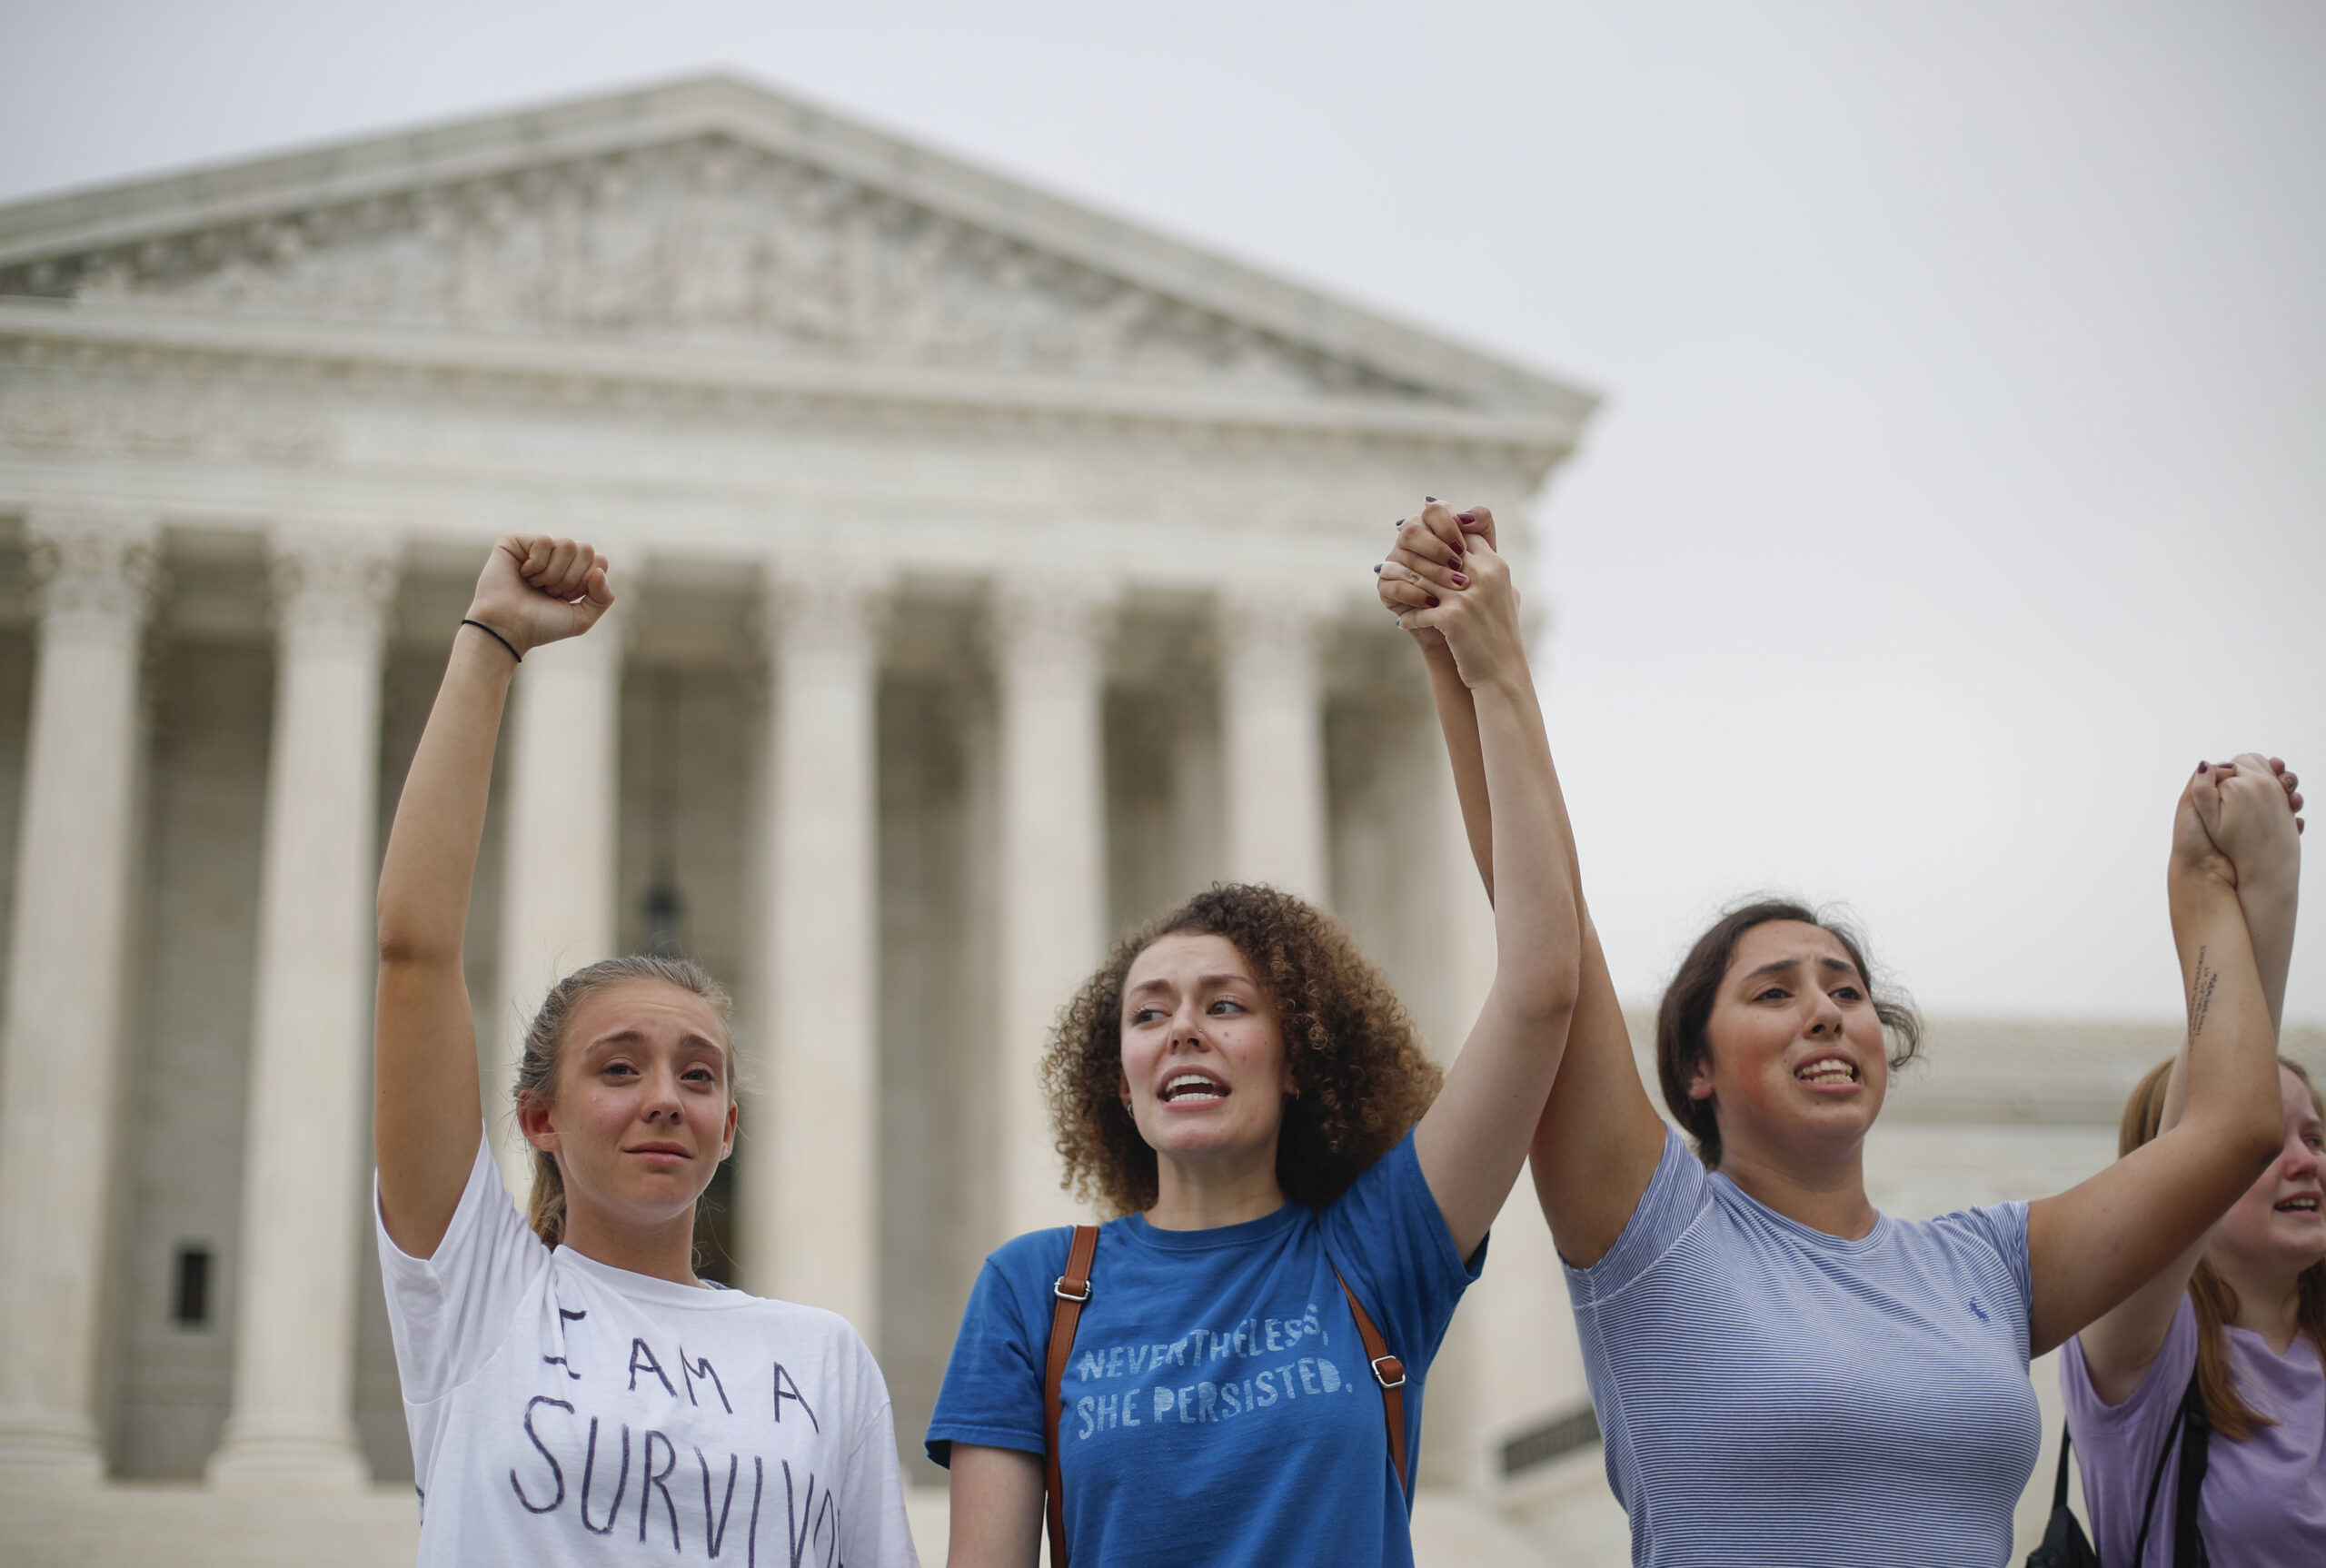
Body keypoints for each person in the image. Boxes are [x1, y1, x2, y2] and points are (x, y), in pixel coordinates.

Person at [1376, 500, 2303, 1564]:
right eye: (1772, 992)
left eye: (1847, 990)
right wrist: (1478, 665)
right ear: (1696, 1069)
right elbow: (1554, 961)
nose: (1825, 1008)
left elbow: (2229, 1130)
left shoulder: (1987, 1265)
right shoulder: (1653, 1233)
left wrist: (2208, 892)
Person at [929, 514, 1584, 1568]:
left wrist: (1490, 674)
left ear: (1298, 1057)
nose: (1182, 1026)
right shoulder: (1036, 1289)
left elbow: (1543, 989)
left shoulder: (1376, 1248)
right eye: (1148, 1014)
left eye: (1225, 1004)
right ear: (1120, 1079)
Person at [373, 535, 917, 1567]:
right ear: (539, 1116)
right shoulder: (483, 1300)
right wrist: (491, 642)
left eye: (698, 1074)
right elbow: (415, 950)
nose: (665, 1097)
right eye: (618, 1067)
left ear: (729, 1127)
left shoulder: (821, 1358)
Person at [2063, 777, 2321, 1566]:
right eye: (2269, 1144)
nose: (2306, 1159)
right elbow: (2210, 1129)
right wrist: (2247, 891)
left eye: (2317, 1134)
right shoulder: (2143, 1357)